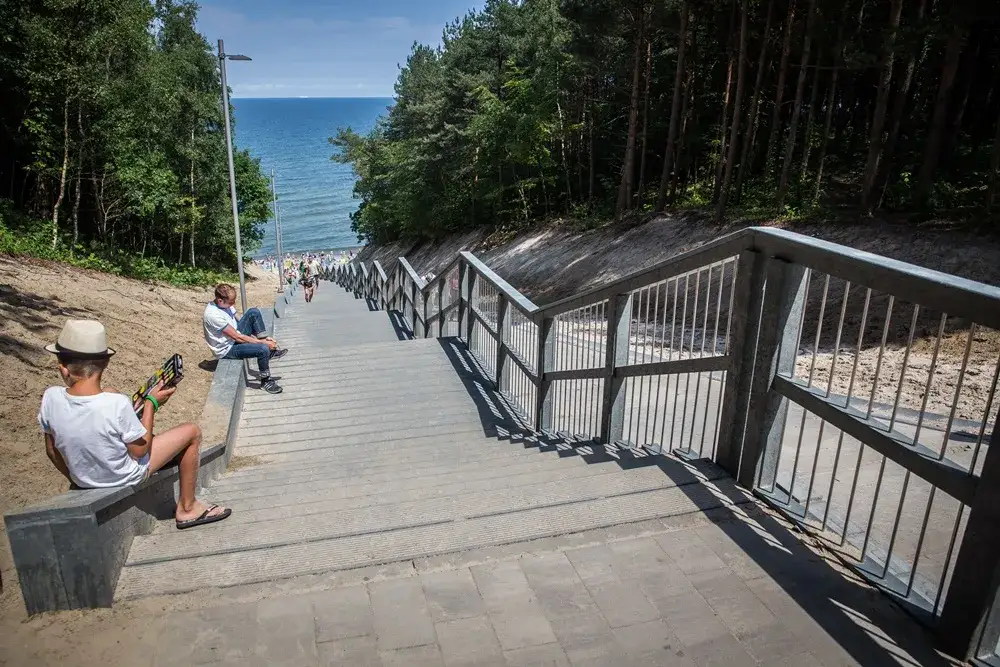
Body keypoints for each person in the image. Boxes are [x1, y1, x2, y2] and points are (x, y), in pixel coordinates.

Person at [39, 320, 232, 529]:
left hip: (84, 480)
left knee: (111, 392)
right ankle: (188, 507)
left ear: (64, 369)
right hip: (124, 476)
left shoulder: (51, 397)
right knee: (192, 432)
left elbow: (52, 451)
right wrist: (151, 404)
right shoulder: (116, 404)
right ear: (105, 363)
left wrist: (79, 478)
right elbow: (140, 450)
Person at [203, 284, 286, 394]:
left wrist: (262, 338)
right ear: (220, 300)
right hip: (227, 349)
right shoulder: (213, 315)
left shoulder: (225, 304)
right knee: (262, 349)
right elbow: (237, 337)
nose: (233, 304)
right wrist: (262, 343)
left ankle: (270, 349)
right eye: (231, 302)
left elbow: (240, 319)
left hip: (234, 338)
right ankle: (265, 381)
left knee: (253, 312)